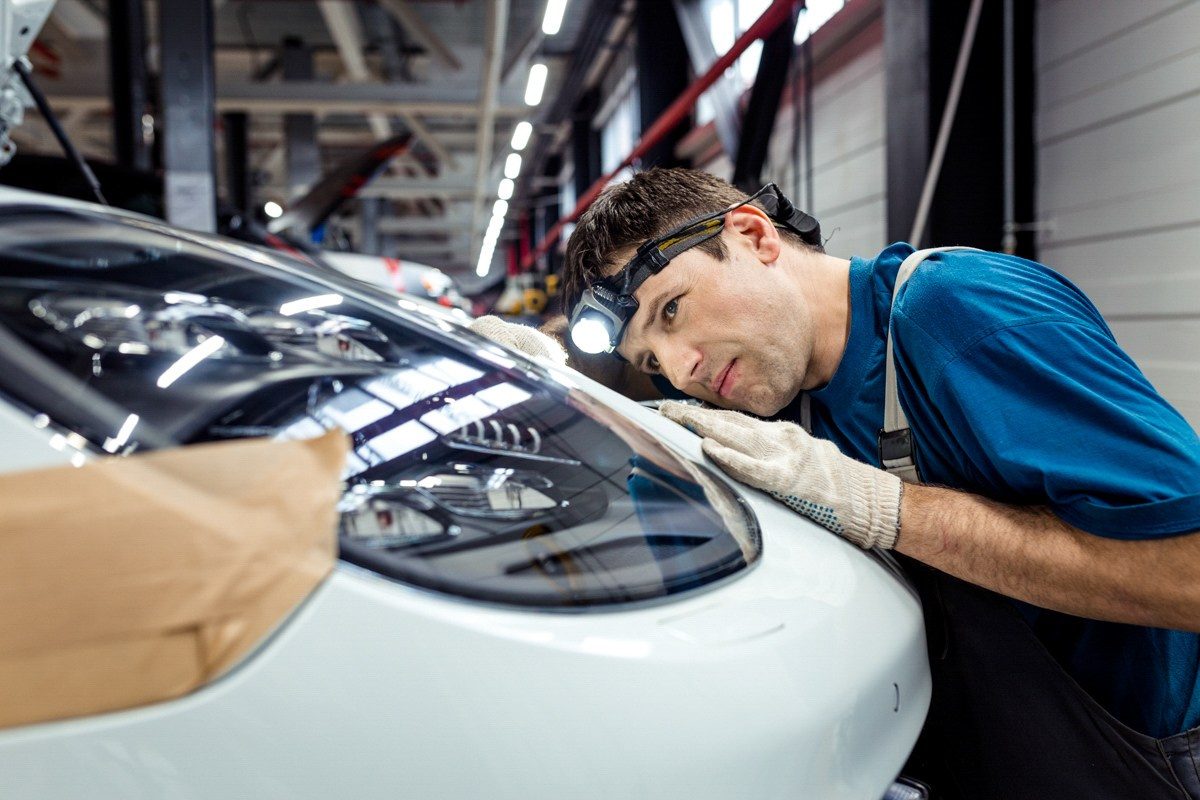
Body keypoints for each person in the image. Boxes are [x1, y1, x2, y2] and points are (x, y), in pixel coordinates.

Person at [535, 166, 1200, 799]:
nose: (682, 371)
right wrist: (541, 388)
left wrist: (885, 508)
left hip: (1151, 767)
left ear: (754, 235)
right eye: (653, 361)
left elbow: (1189, 575)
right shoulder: (771, 396)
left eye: (672, 311)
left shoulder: (958, 314)